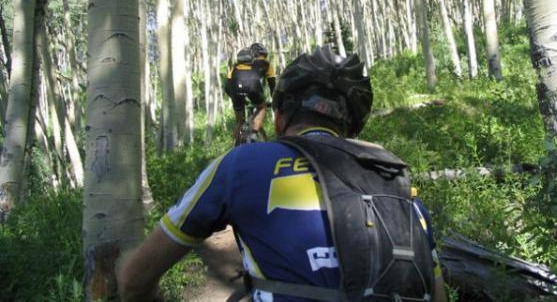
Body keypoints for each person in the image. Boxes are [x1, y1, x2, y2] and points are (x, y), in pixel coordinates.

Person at [119, 46, 447, 302]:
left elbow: (134, 281)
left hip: (240, 98)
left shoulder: (239, 164)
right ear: (350, 128)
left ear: (280, 119)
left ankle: (244, 126)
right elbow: (437, 293)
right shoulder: (393, 175)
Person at [226, 42, 276, 144]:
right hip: (253, 88)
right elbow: (272, 85)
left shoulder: (236, 66)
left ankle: (234, 147)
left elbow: (227, 86)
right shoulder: (266, 64)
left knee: (239, 121)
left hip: (235, 90)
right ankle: (253, 134)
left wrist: (234, 97)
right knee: (261, 107)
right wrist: (275, 100)